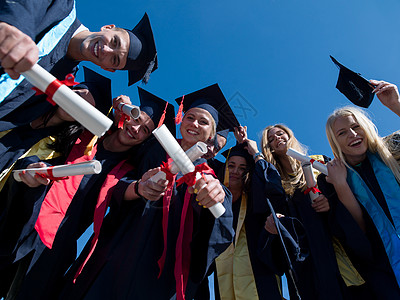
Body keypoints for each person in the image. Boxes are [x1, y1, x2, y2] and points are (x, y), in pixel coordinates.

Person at [59, 83, 234, 300]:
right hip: (120, 243)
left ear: (211, 135)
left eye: (203, 121)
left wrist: (218, 197)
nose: (194, 124)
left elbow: (221, 225)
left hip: (163, 266)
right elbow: (115, 177)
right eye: (190, 117)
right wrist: (139, 188)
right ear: (181, 120)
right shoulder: (154, 146)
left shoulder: (210, 175)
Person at [0, 87, 175, 300]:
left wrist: (141, 187)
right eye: (137, 118)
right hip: (20, 221)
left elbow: (123, 189)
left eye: (145, 131)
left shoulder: (124, 169)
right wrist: (31, 165)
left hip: (52, 249)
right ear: (126, 115)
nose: (136, 128)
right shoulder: (82, 132)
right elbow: (40, 146)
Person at [0, 1, 158, 131]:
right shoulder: (59, 6)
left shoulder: (60, 88)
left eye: (114, 59)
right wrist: (14, 27)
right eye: (114, 41)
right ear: (108, 27)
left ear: (108, 69)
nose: (105, 50)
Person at [319, 79, 400, 299]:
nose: (353, 135)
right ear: (334, 141)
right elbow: (359, 229)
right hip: (384, 263)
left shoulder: (390, 150)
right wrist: (341, 185)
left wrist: (395, 105)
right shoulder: (331, 176)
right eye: (342, 133)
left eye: (356, 127)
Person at [260, 124, 349, 300]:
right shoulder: (275, 182)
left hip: (335, 244)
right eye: (271, 139)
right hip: (306, 254)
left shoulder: (319, 163)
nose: (277, 138)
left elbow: (346, 193)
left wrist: (329, 202)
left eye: (280, 133)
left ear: (289, 135)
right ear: (270, 148)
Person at [212, 126, 286, 300]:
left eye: (242, 168)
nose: (236, 171)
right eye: (231, 165)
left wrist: (253, 151)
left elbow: (272, 186)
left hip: (259, 275)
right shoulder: (213, 201)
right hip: (224, 276)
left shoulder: (255, 201)